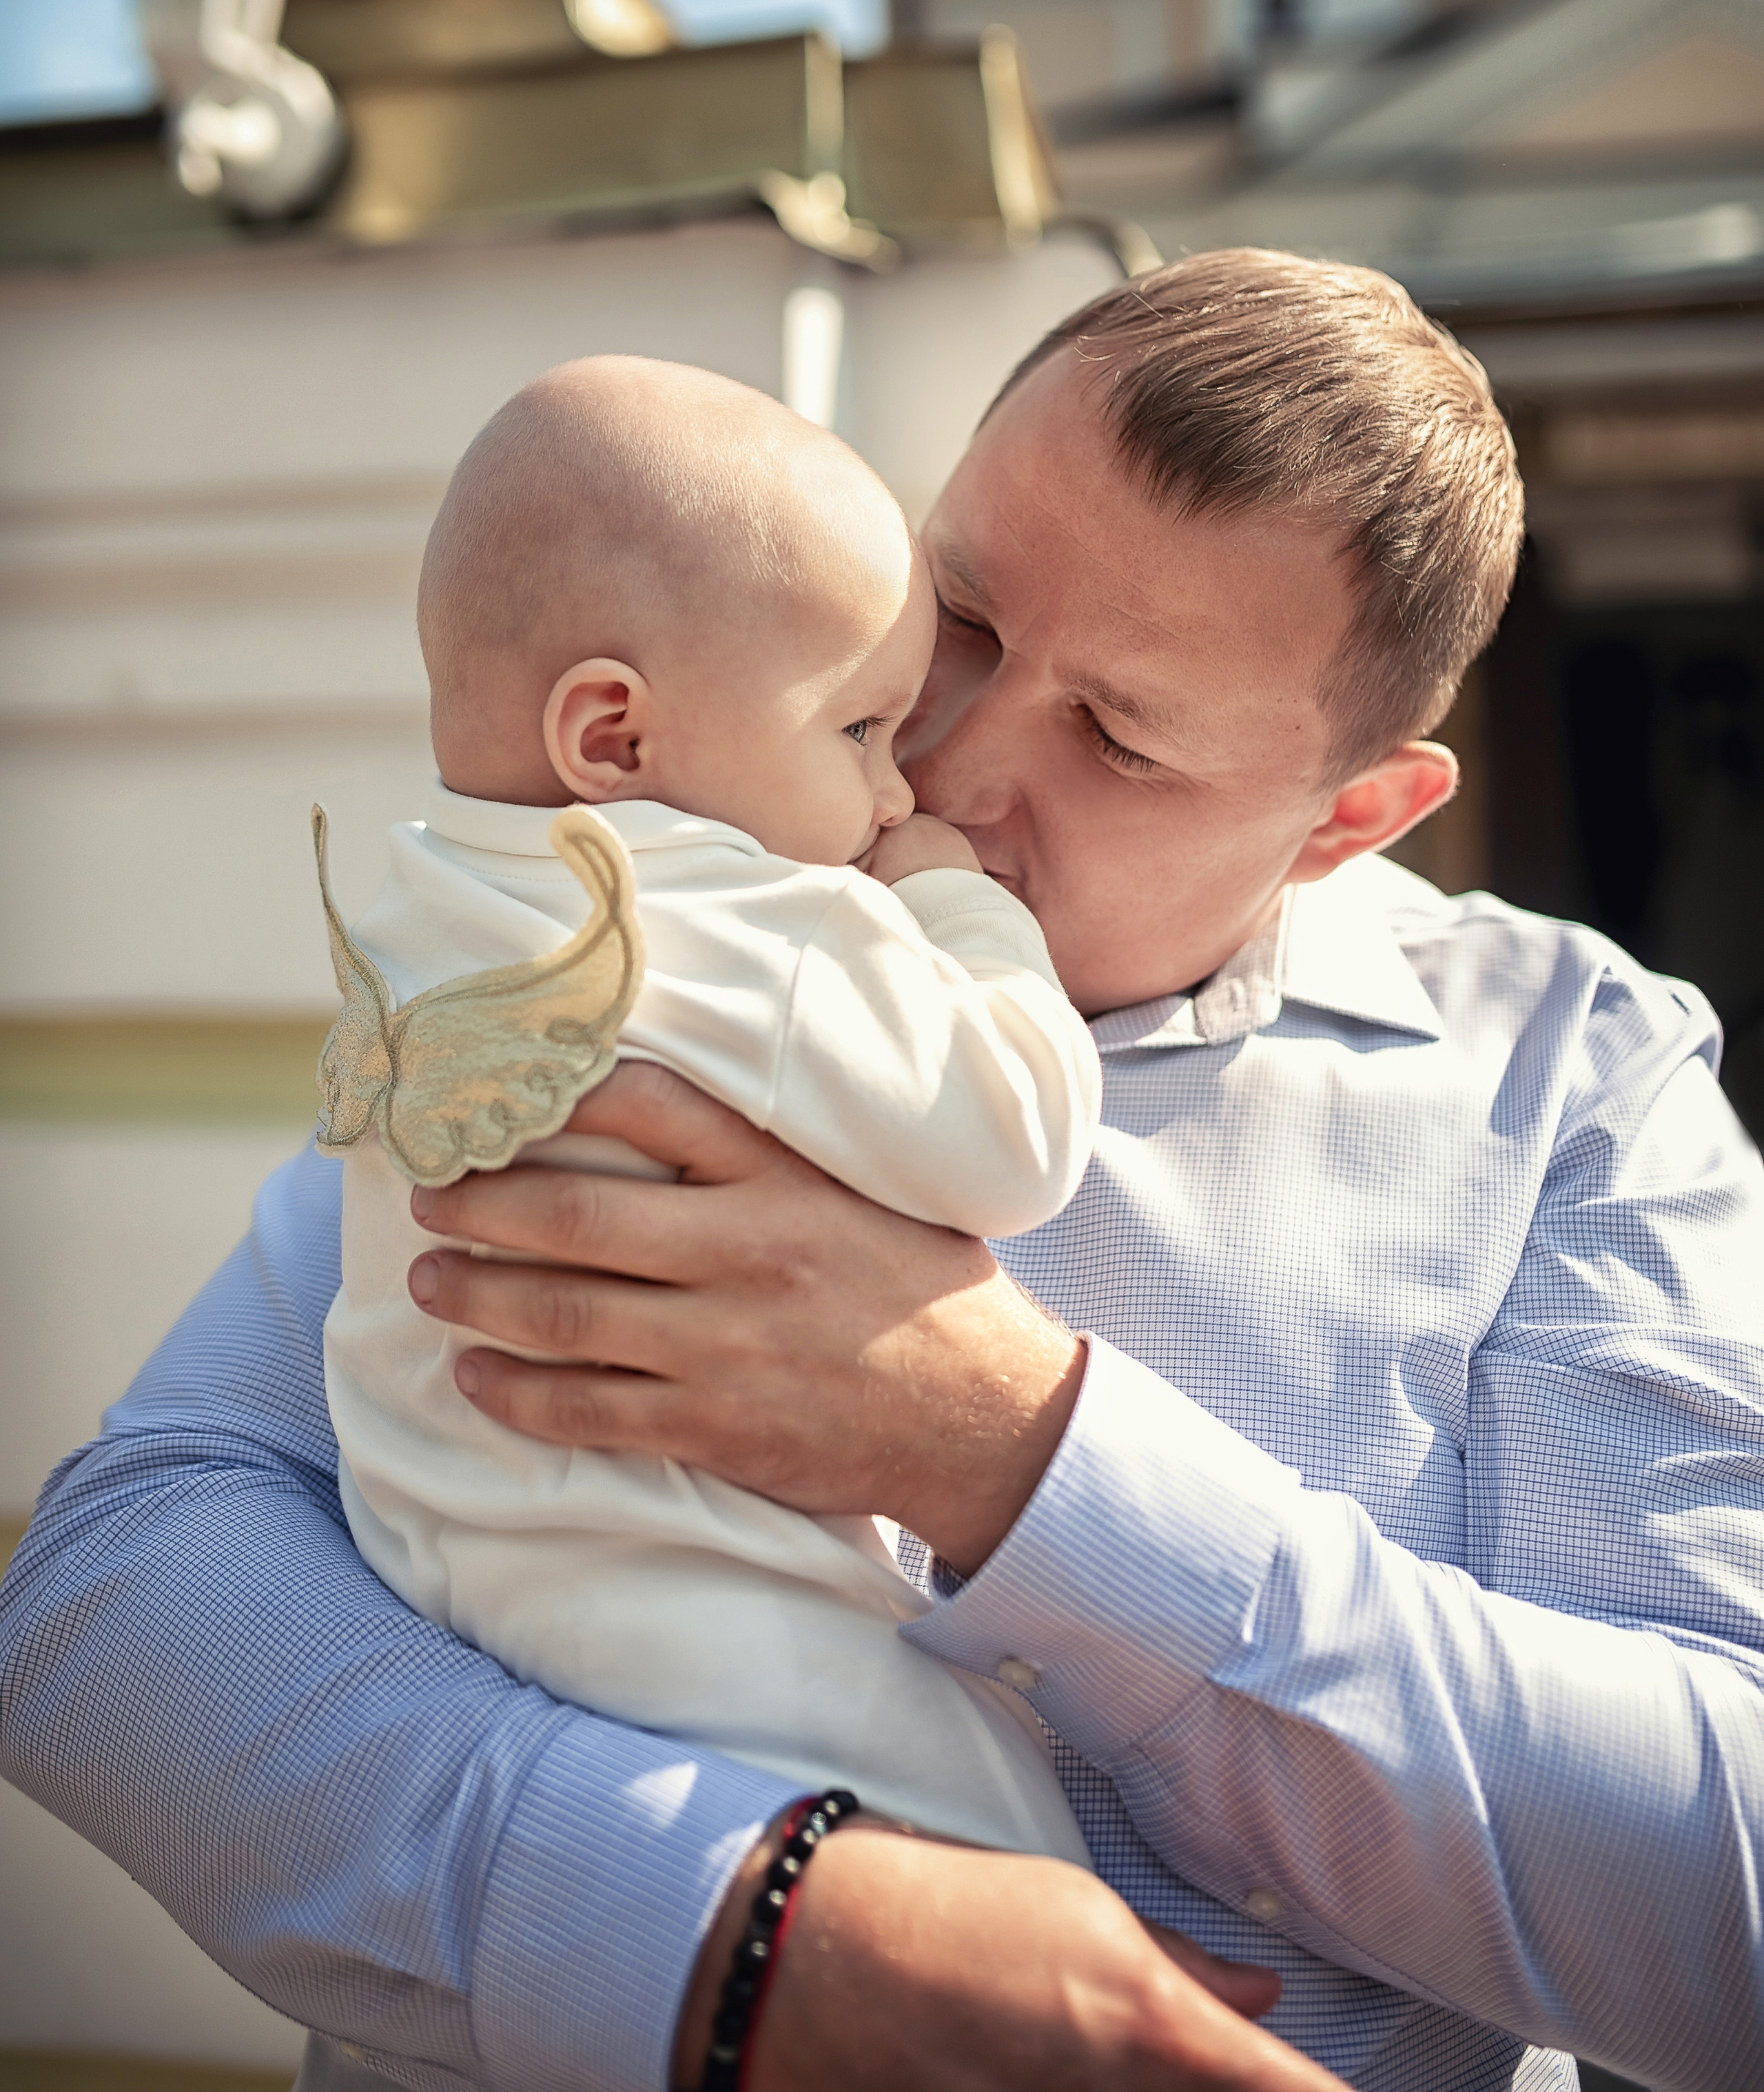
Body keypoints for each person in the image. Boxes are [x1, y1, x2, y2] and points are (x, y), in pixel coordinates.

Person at [3, 251, 1762, 2092]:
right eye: (968, 618)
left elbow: (1725, 1897)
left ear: (1349, 817)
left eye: (1117, 736)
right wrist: (724, 1932)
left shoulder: (1574, 1087)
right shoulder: (650, 914)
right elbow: (115, 1598)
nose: (947, 760)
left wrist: (1019, 1456)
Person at [320, 356, 1095, 1860]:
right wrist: (949, 899)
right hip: (726, 1632)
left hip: (441, 1585)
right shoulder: (745, 916)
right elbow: (1022, 1130)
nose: (897, 788)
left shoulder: (426, 908)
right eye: (860, 733)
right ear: (614, 740)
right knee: (1010, 1869)